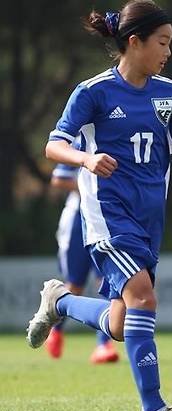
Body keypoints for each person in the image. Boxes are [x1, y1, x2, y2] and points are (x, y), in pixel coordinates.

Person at [26, 0, 172, 411]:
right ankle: (154, 410)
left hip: (150, 220)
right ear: (135, 42)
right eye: (162, 42)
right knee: (144, 296)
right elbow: (53, 146)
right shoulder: (93, 92)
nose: (168, 51)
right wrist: (85, 161)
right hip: (107, 217)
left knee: (120, 322)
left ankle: (61, 301)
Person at [45, 144, 120, 364]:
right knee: (74, 286)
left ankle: (103, 345)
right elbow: (58, 177)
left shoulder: (117, 135)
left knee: (108, 282)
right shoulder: (80, 141)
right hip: (78, 219)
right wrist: (91, 183)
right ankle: (55, 329)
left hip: (106, 217)